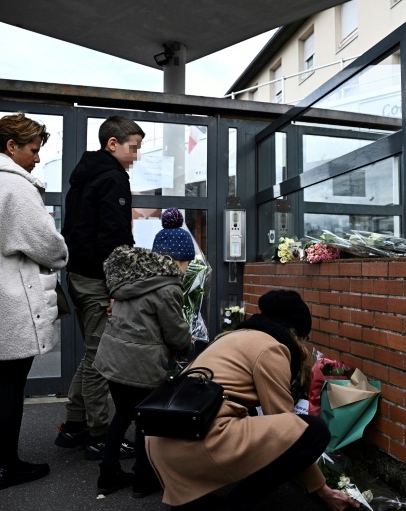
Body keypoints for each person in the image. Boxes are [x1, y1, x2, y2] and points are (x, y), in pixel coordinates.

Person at [146, 290, 360, 511]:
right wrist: (322, 489)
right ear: (296, 334)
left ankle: (191, 501)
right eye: (305, 339)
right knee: (313, 431)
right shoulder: (271, 348)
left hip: (164, 440)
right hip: (194, 440)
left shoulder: (230, 338)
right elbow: (289, 430)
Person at [0, 112, 69, 489]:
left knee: (1, 377)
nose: (37, 158)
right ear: (11, 146)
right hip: (13, 296)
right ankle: (8, 464)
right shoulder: (16, 188)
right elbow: (49, 247)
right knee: (13, 381)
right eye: (34, 150)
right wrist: (61, 250)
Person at [56, 116, 145, 461]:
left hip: (79, 275)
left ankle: (75, 424)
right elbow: (114, 238)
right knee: (100, 358)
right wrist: (117, 288)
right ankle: (98, 435)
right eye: (132, 148)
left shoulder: (84, 177)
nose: (135, 155)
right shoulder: (111, 178)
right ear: (112, 144)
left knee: (92, 353)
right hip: (97, 279)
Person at [92, 208, 194, 498]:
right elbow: (174, 331)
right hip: (140, 364)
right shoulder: (168, 286)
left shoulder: (131, 277)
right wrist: (188, 347)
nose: (187, 269)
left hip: (113, 357)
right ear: (176, 260)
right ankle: (143, 478)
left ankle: (107, 474)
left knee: (122, 414)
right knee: (145, 420)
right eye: (187, 263)